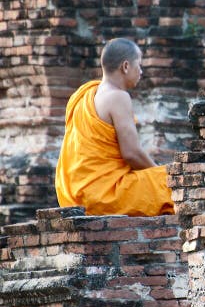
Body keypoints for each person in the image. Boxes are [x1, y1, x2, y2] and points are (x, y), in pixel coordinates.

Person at [55, 38, 175, 216]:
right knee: (176, 184)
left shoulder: (82, 95)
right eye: (139, 65)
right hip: (103, 194)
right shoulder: (118, 97)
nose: (141, 72)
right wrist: (158, 173)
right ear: (125, 66)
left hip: (73, 194)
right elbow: (131, 154)